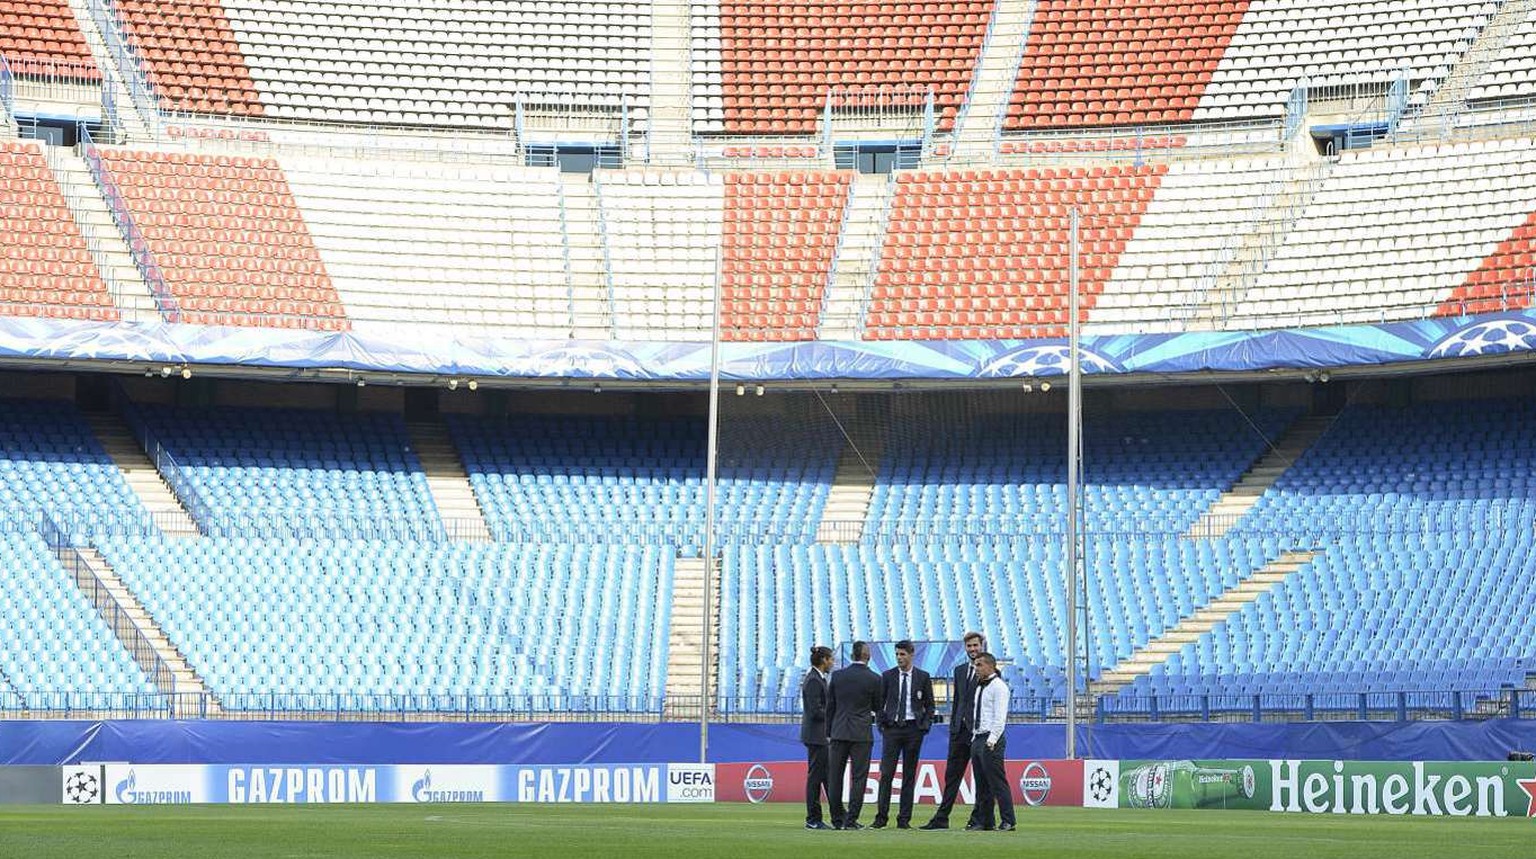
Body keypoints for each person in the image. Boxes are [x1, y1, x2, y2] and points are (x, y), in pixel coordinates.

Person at [921, 631, 987, 830]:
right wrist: (954, 727)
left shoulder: (989, 670)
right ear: (965, 648)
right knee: (951, 777)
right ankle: (942, 818)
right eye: (969, 646)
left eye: (976, 645)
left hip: (978, 732)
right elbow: (958, 701)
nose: (973, 649)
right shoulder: (959, 671)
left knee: (981, 778)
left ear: (982, 645)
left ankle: (979, 819)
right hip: (959, 732)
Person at [872, 639, 935, 829]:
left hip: (913, 729)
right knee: (886, 774)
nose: (899, 658)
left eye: (902, 654)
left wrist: (924, 725)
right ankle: (881, 818)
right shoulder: (887, 676)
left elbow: (930, 705)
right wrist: (883, 724)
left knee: (909, 775)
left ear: (911, 654)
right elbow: (879, 704)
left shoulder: (923, 677)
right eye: (897, 654)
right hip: (892, 729)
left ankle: (904, 819)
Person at [825, 640, 882, 830]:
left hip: (839, 732)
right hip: (861, 733)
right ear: (867, 656)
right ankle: (851, 820)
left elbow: (830, 707)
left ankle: (836, 819)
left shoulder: (838, 676)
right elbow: (877, 706)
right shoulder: (874, 678)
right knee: (859, 778)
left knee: (835, 777)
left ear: (852, 655)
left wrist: (829, 732)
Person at [969, 652, 1015, 832]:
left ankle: (1008, 820)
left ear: (990, 666)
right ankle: (985, 820)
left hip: (990, 739)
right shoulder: (980, 687)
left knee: (997, 782)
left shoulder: (999, 687)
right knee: (981, 784)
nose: (976, 669)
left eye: (979, 665)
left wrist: (992, 739)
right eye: (975, 665)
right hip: (978, 737)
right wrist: (975, 737)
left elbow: (999, 717)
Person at [800, 645, 835, 829]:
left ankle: (838, 816)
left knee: (827, 777)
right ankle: (813, 818)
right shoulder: (814, 680)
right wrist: (834, 714)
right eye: (831, 659)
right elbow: (815, 711)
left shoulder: (818, 678)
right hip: (816, 736)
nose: (833, 662)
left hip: (819, 736)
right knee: (816, 777)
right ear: (824, 660)